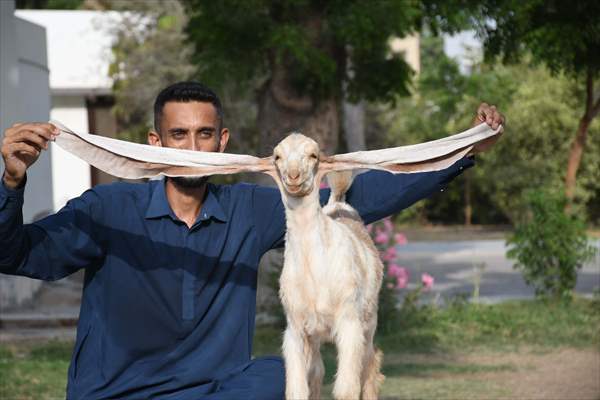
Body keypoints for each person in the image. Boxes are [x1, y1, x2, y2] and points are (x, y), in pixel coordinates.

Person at [0, 81, 504, 399]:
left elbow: (364, 194)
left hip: (213, 393)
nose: (192, 148)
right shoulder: (106, 210)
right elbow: (16, 253)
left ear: (223, 144)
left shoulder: (252, 209)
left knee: (279, 376)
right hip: (117, 392)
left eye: (204, 135)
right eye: (179, 135)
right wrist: (11, 184)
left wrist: (462, 147)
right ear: (155, 144)